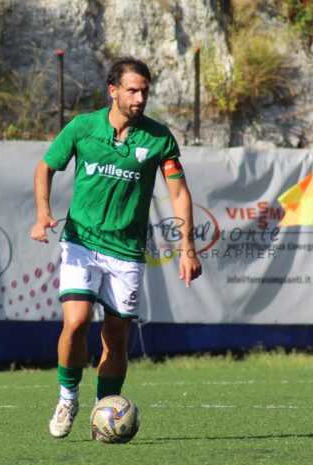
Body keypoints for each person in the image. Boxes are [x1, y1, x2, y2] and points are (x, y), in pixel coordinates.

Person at [30, 57, 202, 438]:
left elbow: (179, 193)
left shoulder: (158, 138)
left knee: (116, 336)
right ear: (113, 91)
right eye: (132, 90)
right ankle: (67, 397)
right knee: (75, 322)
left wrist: (188, 247)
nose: (140, 98)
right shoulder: (83, 127)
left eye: (144, 91)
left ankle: (103, 410)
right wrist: (43, 213)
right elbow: (45, 168)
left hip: (126, 252)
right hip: (81, 241)